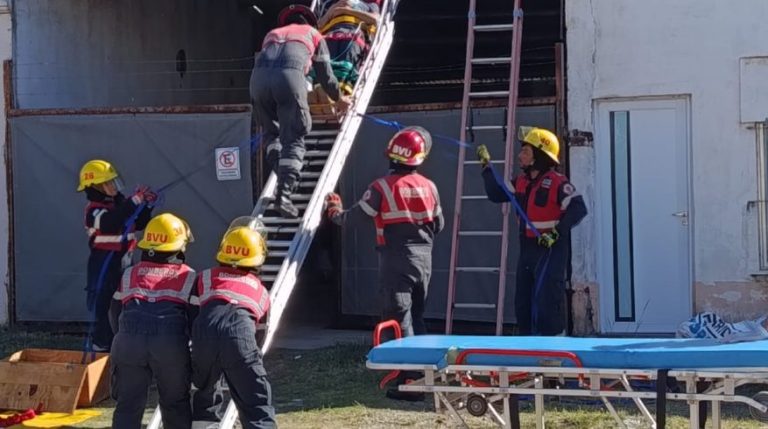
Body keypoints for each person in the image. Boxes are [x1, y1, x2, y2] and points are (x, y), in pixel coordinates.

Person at [325, 126, 443, 401]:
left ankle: (410, 382)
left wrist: (333, 209)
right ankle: (424, 374)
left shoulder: (382, 187)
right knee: (418, 317)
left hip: (395, 257)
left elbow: (351, 219)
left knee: (399, 318)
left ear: (393, 155)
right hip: (424, 257)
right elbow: (439, 224)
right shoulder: (430, 186)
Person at [476, 126, 587, 336]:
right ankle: (528, 351)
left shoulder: (557, 182)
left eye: (525, 151)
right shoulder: (521, 182)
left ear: (539, 156)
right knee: (523, 303)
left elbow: (578, 209)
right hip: (527, 249)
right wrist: (486, 167)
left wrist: (556, 233)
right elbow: (496, 193)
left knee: (547, 302)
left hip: (550, 250)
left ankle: (555, 351)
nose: (520, 155)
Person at [251, 4, 352, 219]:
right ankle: (284, 195)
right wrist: (338, 98)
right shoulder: (314, 35)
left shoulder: (272, 34)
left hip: (257, 82)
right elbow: (325, 76)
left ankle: (284, 176)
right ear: (311, 22)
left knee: (271, 134)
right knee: (294, 136)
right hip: (289, 79)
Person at [110, 213, 196, 429]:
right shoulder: (188, 276)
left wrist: (123, 337)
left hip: (128, 341)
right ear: (178, 247)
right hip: (169, 345)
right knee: (175, 404)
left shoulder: (130, 273)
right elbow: (195, 320)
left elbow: (113, 312)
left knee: (128, 406)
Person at [190, 218, 275, 429]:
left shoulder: (205, 277)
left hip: (204, 335)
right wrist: (246, 358)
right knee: (256, 401)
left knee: (204, 395)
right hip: (241, 337)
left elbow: (191, 313)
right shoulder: (260, 290)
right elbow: (260, 334)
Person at [77, 159, 155, 352]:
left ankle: (126, 338)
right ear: (96, 186)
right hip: (104, 263)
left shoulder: (120, 204)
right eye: (108, 183)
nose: (113, 186)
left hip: (125, 261)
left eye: (114, 182)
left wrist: (146, 205)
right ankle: (101, 342)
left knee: (127, 300)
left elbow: (139, 221)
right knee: (102, 302)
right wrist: (134, 201)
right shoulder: (93, 211)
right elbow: (111, 222)